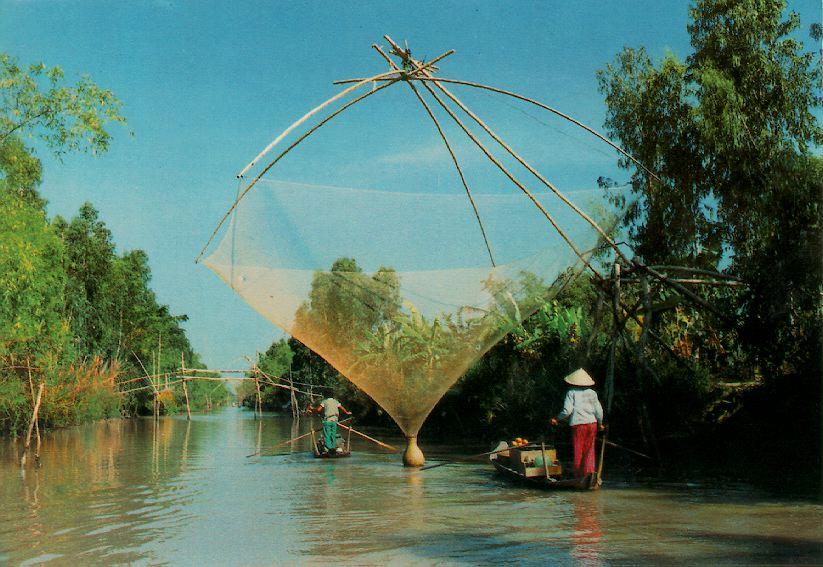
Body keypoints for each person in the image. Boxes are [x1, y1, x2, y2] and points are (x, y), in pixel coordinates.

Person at [550, 368, 605, 480]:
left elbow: (567, 411)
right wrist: (600, 424)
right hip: (592, 424)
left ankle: (579, 476)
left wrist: (557, 419)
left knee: (578, 449)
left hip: (578, 425)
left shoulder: (571, 393)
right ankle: (589, 474)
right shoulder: (592, 393)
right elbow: (599, 411)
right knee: (589, 450)